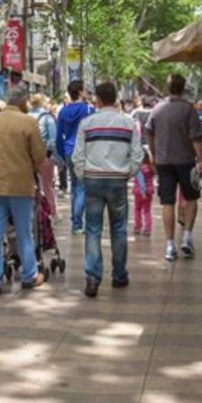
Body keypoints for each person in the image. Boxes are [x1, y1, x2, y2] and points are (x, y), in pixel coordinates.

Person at [72, 81, 143, 297]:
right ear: (115, 98)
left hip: (93, 180)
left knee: (93, 229)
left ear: (99, 100)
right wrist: (126, 173)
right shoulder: (127, 123)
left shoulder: (87, 123)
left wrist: (83, 175)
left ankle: (92, 278)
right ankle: (119, 275)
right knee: (119, 229)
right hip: (117, 182)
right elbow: (138, 156)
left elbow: (78, 156)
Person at [0, 86, 47, 297]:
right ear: (23, 103)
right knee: (24, 232)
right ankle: (29, 276)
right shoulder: (29, 123)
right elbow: (40, 155)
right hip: (20, 187)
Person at [145, 74, 202, 262]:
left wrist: (154, 155)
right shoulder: (189, 110)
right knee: (191, 198)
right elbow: (196, 138)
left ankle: (170, 245)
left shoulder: (156, 109)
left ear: (167, 87)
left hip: (164, 162)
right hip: (186, 161)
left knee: (167, 202)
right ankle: (187, 236)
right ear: (183, 88)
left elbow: (149, 132)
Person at [55, 80, 93, 234]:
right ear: (80, 91)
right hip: (83, 151)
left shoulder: (63, 112)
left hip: (68, 150)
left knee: (74, 187)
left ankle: (75, 220)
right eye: (85, 89)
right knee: (82, 187)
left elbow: (58, 136)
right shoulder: (88, 110)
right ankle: (77, 223)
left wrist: (61, 155)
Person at [28, 95, 59, 218]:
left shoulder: (26, 116)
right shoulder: (47, 118)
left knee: (31, 185)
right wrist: (57, 158)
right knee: (47, 185)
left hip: (29, 157)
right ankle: (52, 212)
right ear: (42, 103)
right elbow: (53, 141)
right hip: (45, 155)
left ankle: (35, 212)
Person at [133, 154, 155, 238]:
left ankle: (137, 227)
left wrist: (143, 192)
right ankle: (148, 228)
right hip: (149, 192)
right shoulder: (150, 168)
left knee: (137, 209)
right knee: (147, 211)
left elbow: (141, 180)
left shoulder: (139, 169)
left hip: (139, 193)